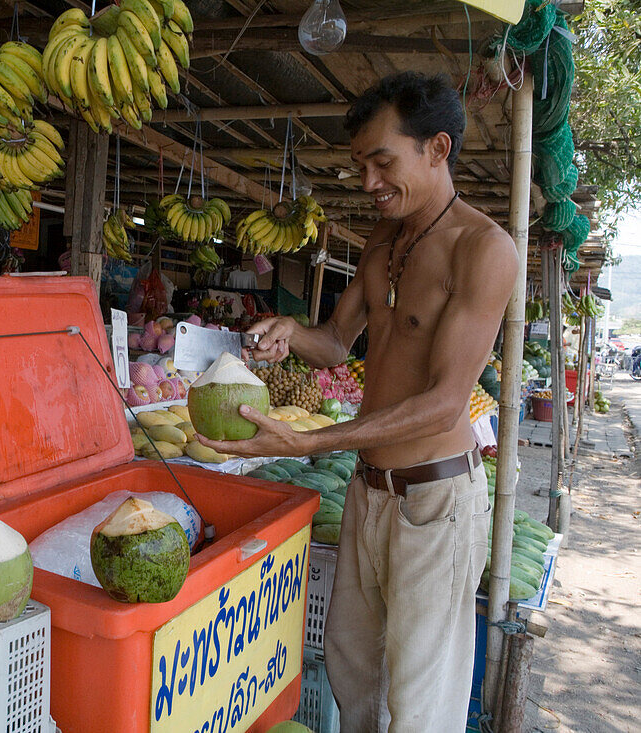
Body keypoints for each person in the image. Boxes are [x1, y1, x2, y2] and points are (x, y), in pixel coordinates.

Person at [198, 72, 518, 731]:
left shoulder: (483, 250)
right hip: (370, 492)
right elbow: (337, 344)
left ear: (436, 148)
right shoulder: (381, 239)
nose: (369, 182)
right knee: (353, 674)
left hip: (435, 503)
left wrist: (310, 442)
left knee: (420, 699)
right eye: (361, 166)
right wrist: (291, 334)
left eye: (382, 162)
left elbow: (443, 403)